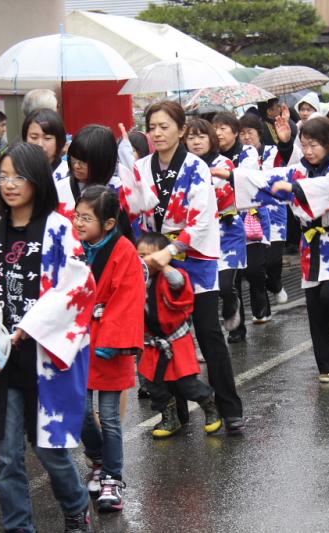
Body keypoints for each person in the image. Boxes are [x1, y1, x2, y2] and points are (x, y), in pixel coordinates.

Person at [0, 142, 94, 533]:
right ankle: (18, 527)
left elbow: (75, 289)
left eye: (17, 176)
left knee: (50, 449)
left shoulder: (60, 229)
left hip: (46, 353)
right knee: (6, 454)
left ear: (37, 179)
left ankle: (75, 506)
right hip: (2, 352)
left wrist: (29, 327)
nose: (8, 185)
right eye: (2, 177)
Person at [118, 101, 244, 434]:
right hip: (153, 260)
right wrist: (145, 252)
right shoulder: (141, 167)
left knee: (208, 333)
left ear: (181, 129)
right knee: (161, 335)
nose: (158, 133)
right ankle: (173, 413)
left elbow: (202, 218)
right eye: (153, 127)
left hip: (194, 259)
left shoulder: (196, 167)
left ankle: (229, 408)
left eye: (165, 126)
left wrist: (171, 250)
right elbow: (132, 213)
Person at [240, 117, 329, 383]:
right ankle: (327, 366)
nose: (309, 151)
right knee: (315, 304)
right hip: (312, 242)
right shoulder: (299, 169)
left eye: (315, 145)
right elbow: (266, 177)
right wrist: (230, 176)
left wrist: (295, 189)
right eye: (305, 145)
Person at [75, 185, 144, 513]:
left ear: (108, 223)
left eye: (86, 218)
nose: (78, 223)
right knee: (82, 412)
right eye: (77, 216)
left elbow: (128, 298)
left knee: (111, 416)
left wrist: (112, 341)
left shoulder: (124, 250)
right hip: (79, 340)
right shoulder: (76, 248)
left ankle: (112, 477)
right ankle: (100, 459)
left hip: (109, 343)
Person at [136, 232, 222, 438]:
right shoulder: (137, 279)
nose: (145, 260)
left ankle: (209, 406)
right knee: (153, 385)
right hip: (153, 344)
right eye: (140, 255)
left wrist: (163, 265)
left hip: (175, 341)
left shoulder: (172, 275)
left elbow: (178, 283)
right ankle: (170, 418)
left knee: (186, 384)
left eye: (150, 255)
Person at [212, 112, 271, 340]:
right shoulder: (210, 156)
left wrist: (226, 177)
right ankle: (237, 328)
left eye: (223, 128)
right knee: (230, 277)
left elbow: (247, 179)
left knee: (255, 270)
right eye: (215, 128)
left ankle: (261, 305)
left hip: (249, 217)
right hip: (224, 223)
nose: (218, 133)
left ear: (235, 132)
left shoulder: (246, 152)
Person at [184, 117, 244, 335]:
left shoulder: (223, 164)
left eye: (201, 137)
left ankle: (232, 302)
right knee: (198, 290)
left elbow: (208, 194)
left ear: (211, 138)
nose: (196, 142)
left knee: (226, 285)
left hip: (227, 231)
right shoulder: (184, 167)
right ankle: (198, 337)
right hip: (200, 234)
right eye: (191, 137)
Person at [239, 112, 289, 306]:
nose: (246, 137)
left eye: (250, 132)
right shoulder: (239, 156)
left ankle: (275, 284)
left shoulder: (273, 152)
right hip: (253, 214)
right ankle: (263, 303)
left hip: (275, 211)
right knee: (254, 264)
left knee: (273, 260)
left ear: (259, 133)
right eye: (242, 133)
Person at [22, 109, 69, 183]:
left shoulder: (67, 175)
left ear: (59, 140)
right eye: (34, 137)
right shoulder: (18, 172)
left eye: (47, 138)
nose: (40, 144)